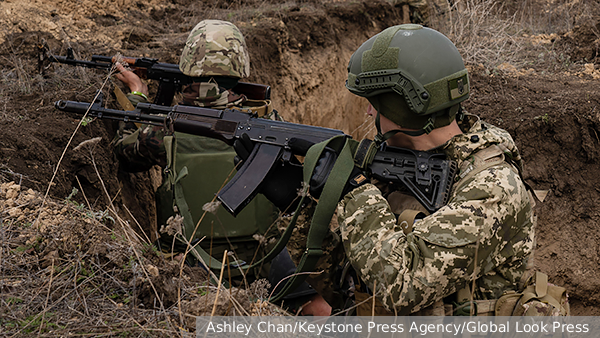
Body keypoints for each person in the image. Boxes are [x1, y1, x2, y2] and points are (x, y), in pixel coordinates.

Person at [235, 24, 537, 316]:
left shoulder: (494, 187)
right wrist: (297, 204)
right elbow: (349, 288)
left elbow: (400, 288)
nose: (368, 111)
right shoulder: (395, 167)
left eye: (375, 103)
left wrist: (355, 191)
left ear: (400, 107)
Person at [112, 19, 329, 315]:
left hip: (190, 266)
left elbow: (124, 151)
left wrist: (138, 93)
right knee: (320, 310)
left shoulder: (165, 132)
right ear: (240, 67)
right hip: (263, 258)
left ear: (188, 66)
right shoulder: (270, 124)